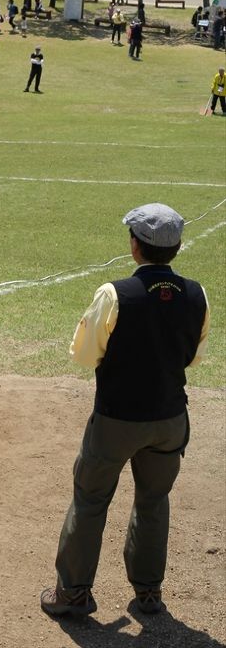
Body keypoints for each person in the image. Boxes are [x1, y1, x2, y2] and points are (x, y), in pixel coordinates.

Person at [41, 203, 209, 619]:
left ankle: (74, 594)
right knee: (154, 500)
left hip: (117, 418)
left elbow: (83, 355)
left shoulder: (114, 293)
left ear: (135, 246)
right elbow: (192, 358)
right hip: (171, 418)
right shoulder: (196, 293)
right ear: (177, 247)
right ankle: (149, 593)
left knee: (90, 499)